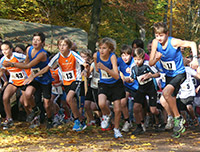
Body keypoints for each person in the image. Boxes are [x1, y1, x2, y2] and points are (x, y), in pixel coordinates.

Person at [23, 36, 88, 132]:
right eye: (60, 45)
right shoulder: (57, 56)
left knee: (69, 98)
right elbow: (47, 68)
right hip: (66, 82)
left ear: (69, 47)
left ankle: (77, 120)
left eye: (64, 45)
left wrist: (86, 71)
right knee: (71, 101)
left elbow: (85, 64)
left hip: (76, 79)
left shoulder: (73, 54)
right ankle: (81, 120)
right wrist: (33, 76)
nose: (62, 47)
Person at [149, 22, 199, 138]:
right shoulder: (155, 43)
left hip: (179, 73)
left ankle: (177, 118)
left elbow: (192, 43)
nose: (159, 38)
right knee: (164, 99)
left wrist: (195, 59)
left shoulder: (174, 42)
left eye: (161, 35)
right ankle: (177, 123)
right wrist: (156, 59)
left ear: (167, 34)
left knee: (166, 93)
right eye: (157, 35)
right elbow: (151, 62)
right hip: (169, 75)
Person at [3, 32, 53, 129]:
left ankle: (50, 119)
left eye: (38, 40)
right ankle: (35, 109)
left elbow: (28, 65)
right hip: (34, 78)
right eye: (34, 40)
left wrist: (12, 64)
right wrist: (26, 75)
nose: (35, 42)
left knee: (47, 104)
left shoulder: (42, 54)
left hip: (45, 79)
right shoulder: (29, 49)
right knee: (28, 94)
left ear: (42, 43)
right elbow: (25, 64)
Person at [126, 48, 164, 135]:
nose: (137, 62)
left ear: (143, 58)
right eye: (135, 59)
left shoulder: (148, 65)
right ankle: (139, 126)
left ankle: (159, 116)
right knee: (136, 107)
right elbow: (132, 78)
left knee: (153, 110)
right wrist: (127, 79)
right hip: (141, 88)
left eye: (139, 59)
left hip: (151, 88)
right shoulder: (133, 67)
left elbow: (158, 74)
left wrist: (150, 76)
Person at [93, 37, 125, 138]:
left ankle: (116, 129)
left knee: (117, 109)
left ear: (110, 49)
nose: (101, 50)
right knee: (101, 103)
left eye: (104, 48)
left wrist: (106, 68)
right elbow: (97, 70)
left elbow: (116, 75)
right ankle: (107, 115)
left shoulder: (112, 57)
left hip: (115, 84)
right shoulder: (96, 55)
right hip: (104, 83)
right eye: (100, 48)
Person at [0, 41, 27, 129]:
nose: (4, 52)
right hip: (14, 81)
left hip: (24, 80)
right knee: (5, 97)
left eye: (6, 49)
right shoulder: (3, 60)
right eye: (2, 50)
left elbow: (29, 63)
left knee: (25, 102)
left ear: (11, 49)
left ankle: (33, 117)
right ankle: (9, 119)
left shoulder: (18, 56)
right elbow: (2, 71)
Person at [117, 44, 139, 132]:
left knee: (139, 106)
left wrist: (127, 78)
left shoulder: (134, 61)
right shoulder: (119, 61)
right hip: (125, 85)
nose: (125, 57)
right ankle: (127, 121)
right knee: (122, 102)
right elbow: (113, 66)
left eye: (127, 55)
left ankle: (141, 122)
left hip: (136, 85)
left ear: (131, 55)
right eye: (123, 55)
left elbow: (133, 77)